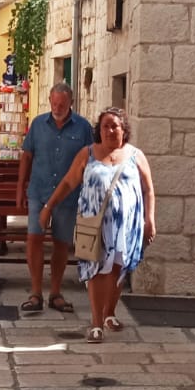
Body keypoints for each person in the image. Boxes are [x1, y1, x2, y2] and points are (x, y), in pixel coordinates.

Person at [39, 107, 155, 343]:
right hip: (94, 225)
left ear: (124, 129)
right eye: (106, 126)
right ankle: (96, 323)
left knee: (117, 269)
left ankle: (109, 313)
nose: (110, 130)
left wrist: (150, 219)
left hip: (125, 226)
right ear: (99, 130)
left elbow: (148, 190)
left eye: (115, 126)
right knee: (96, 269)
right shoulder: (88, 153)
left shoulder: (136, 155)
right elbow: (68, 182)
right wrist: (49, 206)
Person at [15, 81, 95, 315]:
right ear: (50, 101)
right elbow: (27, 156)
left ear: (71, 103)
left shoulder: (83, 128)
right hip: (39, 191)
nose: (58, 108)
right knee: (34, 238)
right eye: (54, 103)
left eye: (62, 104)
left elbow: (89, 162)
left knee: (61, 243)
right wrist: (20, 187)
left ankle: (55, 293)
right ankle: (35, 292)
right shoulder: (38, 124)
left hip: (67, 197)